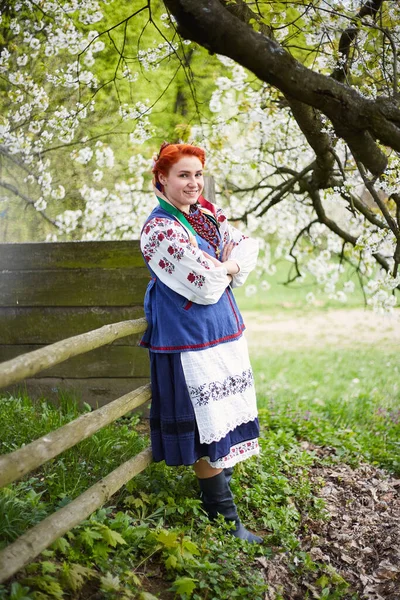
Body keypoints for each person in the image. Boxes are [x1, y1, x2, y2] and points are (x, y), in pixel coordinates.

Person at [139, 142, 262, 543]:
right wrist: (226, 265)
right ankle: (224, 518)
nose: (193, 183)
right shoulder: (160, 231)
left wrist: (226, 264)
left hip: (221, 333)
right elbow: (207, 284)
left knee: (222, 417)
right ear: (162, 178)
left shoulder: (206, 217)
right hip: (188, 339)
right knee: (204, 426)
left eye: (197, 174)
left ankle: (220, 499)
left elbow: (249, 246)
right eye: (183, 175)